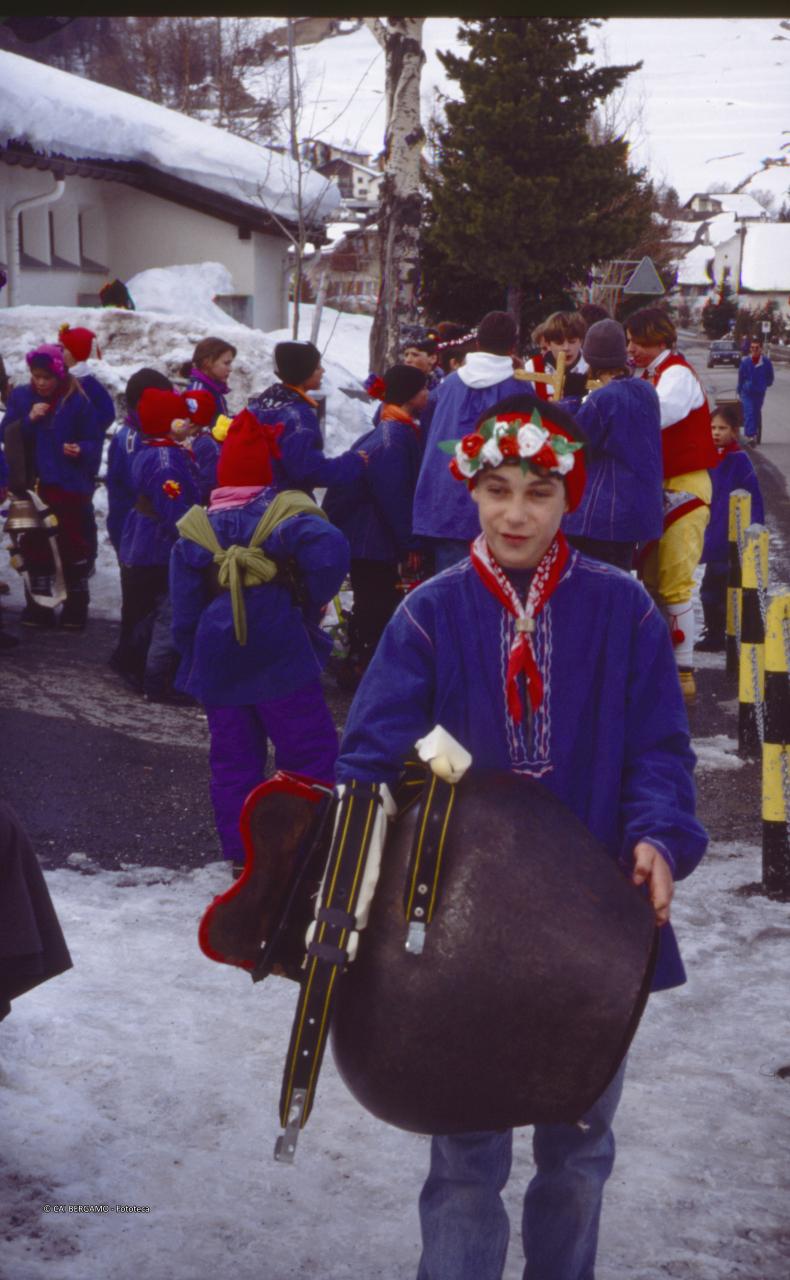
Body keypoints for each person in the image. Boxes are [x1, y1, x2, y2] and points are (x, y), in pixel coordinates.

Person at [334, 391, 707, 1280]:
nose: (515, 511)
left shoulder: (624, 611)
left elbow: (660, 748)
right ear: (469, 492)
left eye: (538, 490)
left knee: (579, 1150)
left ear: (568, 496)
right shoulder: (431, 612)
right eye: (497, 488)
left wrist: (659, 833)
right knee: (465, 1159)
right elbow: (368, 758)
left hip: (596, 929)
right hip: (461, 937)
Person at [169, 411, 349, 871]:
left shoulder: (197, 528)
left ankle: (241, 854)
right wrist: (309, 598)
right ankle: (309, 839)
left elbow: (184, 606)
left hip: (219, 657)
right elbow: (331, 550)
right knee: (306, 749)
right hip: (279, 653)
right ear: (266, 473)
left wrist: (193, 655)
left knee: (232, 761)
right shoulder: (283, 516)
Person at [626, 307, 719, 702]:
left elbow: (655, 414)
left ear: (657, 340)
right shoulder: (647, 374)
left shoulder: (677, 374)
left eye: (636, 341)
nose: (631, 349)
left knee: (675, 578)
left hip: (684, 485)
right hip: (655, 486)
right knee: (650, 577)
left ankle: (684, 673)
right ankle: (659, 662)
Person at [324, 364, 428, 689]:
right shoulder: (393, 438)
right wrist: (410, 543)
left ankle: (361, 663)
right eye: (424, 389)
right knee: (375, 603)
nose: (429, 394)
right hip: (372, 538)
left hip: (371, 536)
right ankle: (359, 667)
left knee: (375, 601)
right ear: (411, 396)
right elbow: (394, 496)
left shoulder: (393, 429)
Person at [412, 311, 525, 573]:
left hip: (444, 499)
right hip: (496, 507)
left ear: (477, 344)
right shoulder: (519, 390)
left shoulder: (448, 385)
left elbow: (428, 432)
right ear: (512, 346)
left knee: (449, 589)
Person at [115, 386, 208, 701]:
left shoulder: (154, 447)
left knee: (146, 610)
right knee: (164, 613)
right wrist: (197, 539)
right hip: (157, 544)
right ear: (167, 423)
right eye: (180, 417)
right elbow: (174, 512)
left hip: (143, 539)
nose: (187, 421)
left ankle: (132, 664)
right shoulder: (166, 459)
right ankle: (154, 678)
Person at [0, 344, 103, 630]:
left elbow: (94, 439)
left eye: (47, 377)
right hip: (31, 487)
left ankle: (75, 608)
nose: (41, 382)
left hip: (68, 486)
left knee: (71, 545)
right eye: (36, 376)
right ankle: (38, 606)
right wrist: (28, 421)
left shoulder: (76, 399)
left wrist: (80, 449)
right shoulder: (21, 397)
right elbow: (6, 432)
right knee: (34, 546)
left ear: (59, 375)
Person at [563, 318, 663, 571]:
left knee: (594, 591)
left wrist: (564, 408)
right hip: (635, 513)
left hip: (602, 516)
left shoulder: (602, 399)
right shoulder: (646, 391)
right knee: (619, 585)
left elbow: (576, 445)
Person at [248, 340, 366, 495]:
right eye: (317, 367)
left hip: (256, 501)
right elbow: (308, 471)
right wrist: (352, 462)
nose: (323, 371)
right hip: (286, 507)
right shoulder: (299, 416)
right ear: (302, 371)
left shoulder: (257, 406)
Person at [696, 402, 764, 652]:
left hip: (731, 534)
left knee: (723, 585)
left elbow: (754, 497)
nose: (716, 432)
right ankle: (714, 631)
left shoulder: (739, 460)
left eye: (722, 428)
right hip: (711, 530)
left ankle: (725, 633)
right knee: (710, 586)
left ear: (734, 430)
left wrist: (755, 527)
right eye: (712, 427)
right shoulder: (706, 456)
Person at [57, 324, 116, 570]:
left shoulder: (88, 384)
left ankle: (87, 554)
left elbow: (107, 414)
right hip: (61, 456)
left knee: (82, 508)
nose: (58, 352)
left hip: (82, 459)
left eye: (63, 348)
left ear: (74, 352)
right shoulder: (58, 379)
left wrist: (87, 433)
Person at [182, 337, 237, 499]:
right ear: (207, 362)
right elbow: (195, 431)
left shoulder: (214, 388)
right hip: (207, 460)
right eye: (226, 363)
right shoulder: (199, 392)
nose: (230, 369)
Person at [522, 310, 590, 404]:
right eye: (559, 343)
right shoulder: (532, 368)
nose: (566, 348)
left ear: (581, 341)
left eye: (572, 342)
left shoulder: (591, 367)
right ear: (549, 344)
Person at [737, 336, 774, 447]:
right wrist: (740, 390)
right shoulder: (745, 362)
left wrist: (765, 384)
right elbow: (741, 377)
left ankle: (754, 432)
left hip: (759, 392)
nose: (754, 349)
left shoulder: (766, 362)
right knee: (749, 412)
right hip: (746, 392)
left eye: (756, 347)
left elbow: (770, 377)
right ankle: (750, 436)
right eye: (752, 347)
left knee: (756, 412)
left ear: (761, 349)